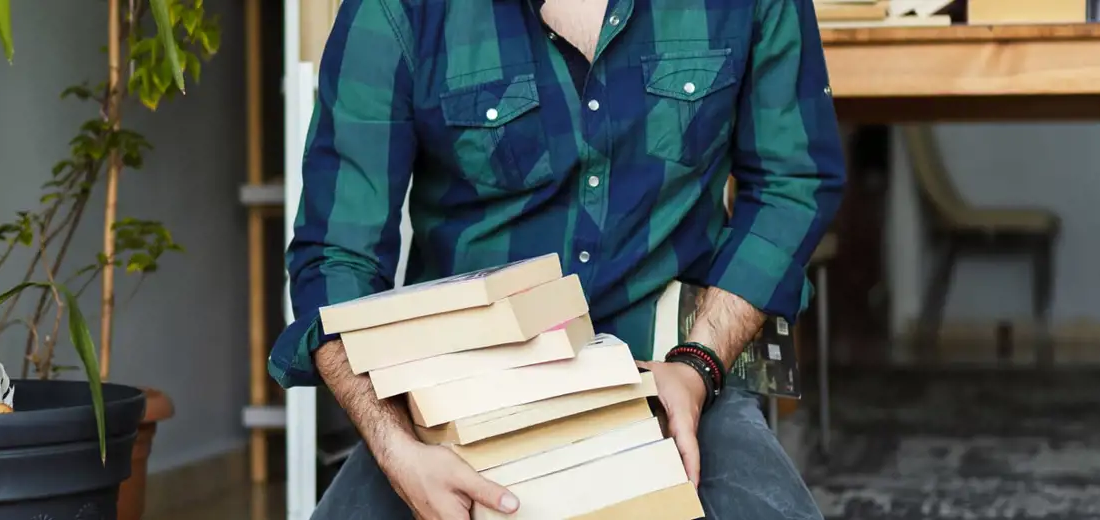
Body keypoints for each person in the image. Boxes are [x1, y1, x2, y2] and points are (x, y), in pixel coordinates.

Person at [269, 0, 843, 516]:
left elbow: (792, 185)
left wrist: (699, 365)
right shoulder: (397, 8)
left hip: (671, 373)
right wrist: (399, 451)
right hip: (454, 399)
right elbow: (335, 256)